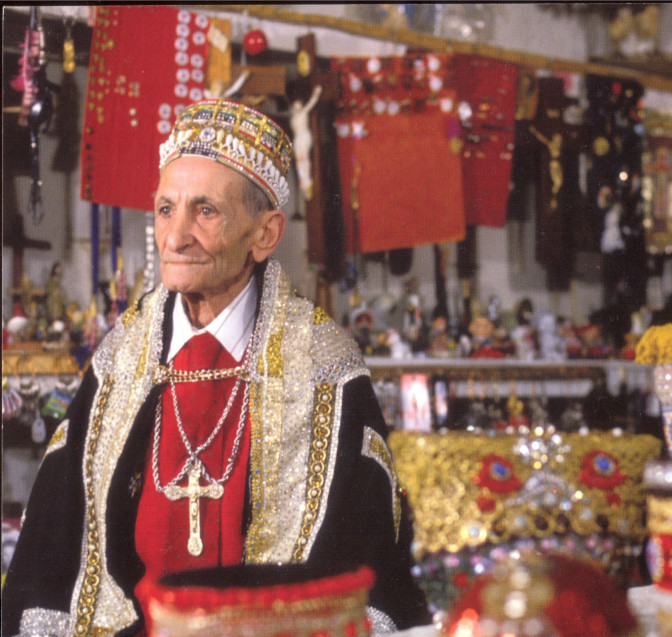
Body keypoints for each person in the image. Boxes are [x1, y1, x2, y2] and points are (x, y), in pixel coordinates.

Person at [1, 99, 430, 636]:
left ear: (265, 235)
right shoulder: (116, 363)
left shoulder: (326, 369)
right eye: (164, 209)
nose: (175, 238)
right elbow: (46, 557)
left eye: (205, 211)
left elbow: (371, 571)